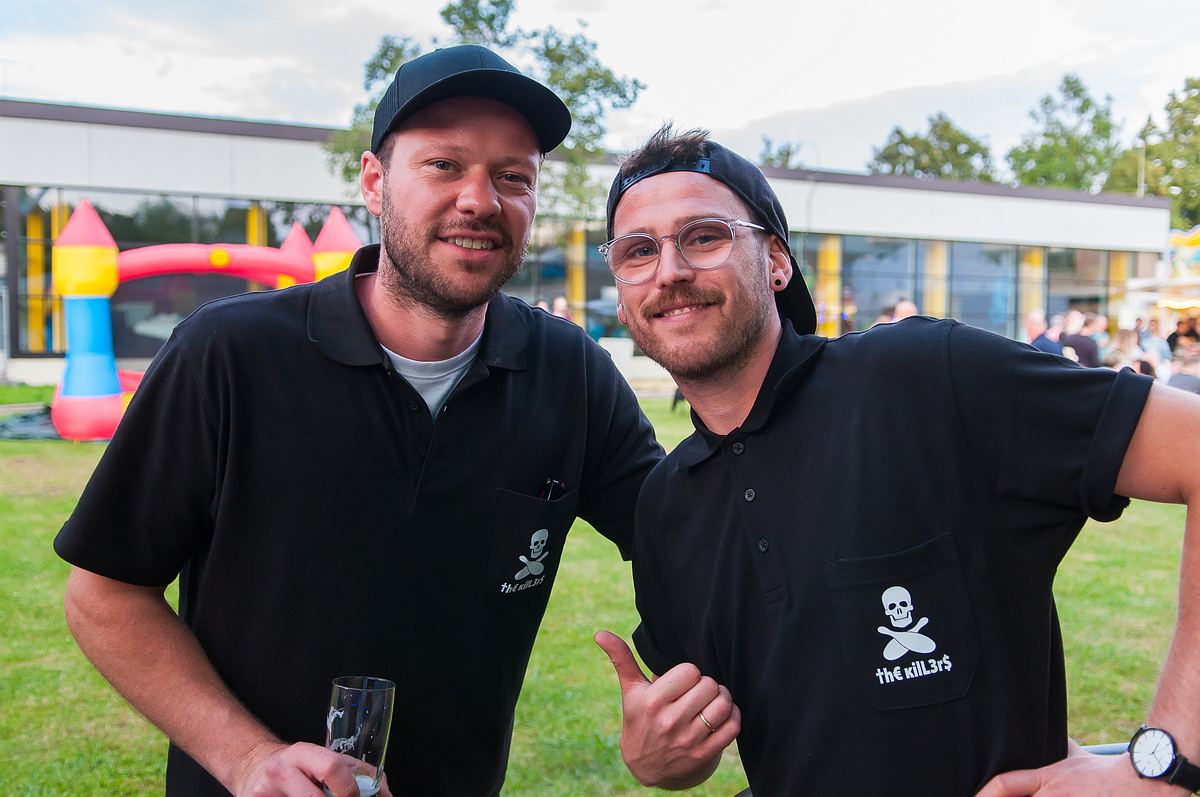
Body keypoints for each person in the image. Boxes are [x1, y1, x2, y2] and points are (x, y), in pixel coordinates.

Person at [54, 45, 662, 797]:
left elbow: (689, 538)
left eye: (513, 177)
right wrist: (247, 758)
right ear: (375, 182)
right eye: (444, 165)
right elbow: (105, 593)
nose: (480, 200)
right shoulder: (230, 355)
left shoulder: (571, 375)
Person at [591, 125, 1200, 796]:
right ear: (622, 291)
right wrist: (661, 760)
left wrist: (1164, 765)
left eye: (704, 236)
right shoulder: (665, 506)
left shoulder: (923, 377)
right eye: (638, 250)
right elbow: (715, 731)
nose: (670, 271)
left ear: (776, 261)